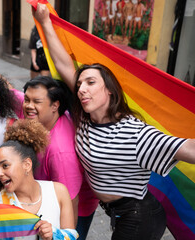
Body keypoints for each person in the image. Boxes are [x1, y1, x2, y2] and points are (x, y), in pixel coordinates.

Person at [33, 3, 195, 239]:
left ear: (109, 90)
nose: (81, 89)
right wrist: (46, 22)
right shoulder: (86, 120)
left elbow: (188, 148)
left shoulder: (134, 133)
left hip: (140, 216)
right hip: (116, 213)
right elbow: (64, 66)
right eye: (79, 85)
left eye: (90, 83)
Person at [0, 37, 99, 235]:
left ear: (54, 106)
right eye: (28, 100)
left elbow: (69, 202)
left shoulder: (60, 151)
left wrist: (65, 233)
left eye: (36, 101)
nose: (28, 105)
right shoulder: (36, 111)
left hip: (76, 206)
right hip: (36, 196)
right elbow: (3, 86)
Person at [0, 119, 78, 240]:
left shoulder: (58, 192)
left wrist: (53, 234)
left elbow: (71, 235)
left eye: (5, 165)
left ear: (27, 164)